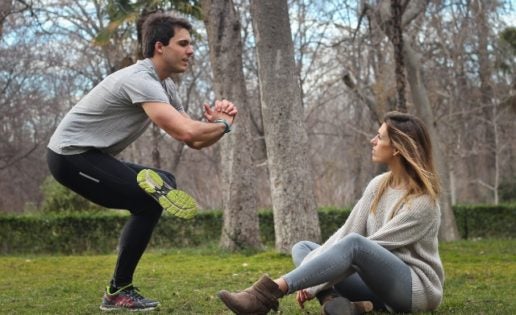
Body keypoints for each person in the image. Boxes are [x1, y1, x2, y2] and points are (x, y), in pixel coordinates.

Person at [47, 12, 237, 312]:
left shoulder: (165, 85)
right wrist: (223, 125)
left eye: (191, 44)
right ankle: (117, 291)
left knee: (164, 183)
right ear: (160, 47)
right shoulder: (141, 79)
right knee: (151, 198)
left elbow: (194, 140)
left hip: (89, 155)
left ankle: (118, 290)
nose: (191, 51)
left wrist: (215, 125)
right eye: (184, 43)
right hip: (70, 156)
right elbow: (186, 131)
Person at [218, 111, 444, 315]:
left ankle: (264, 295)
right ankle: (338, 304)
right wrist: (313, 280)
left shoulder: (422, 203)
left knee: (353, 246)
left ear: (396, 148)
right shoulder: (379, 185)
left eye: (379, 137)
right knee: (304, 248)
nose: (372, 141)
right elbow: (347, 233)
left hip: (414, 291)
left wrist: (313, 283)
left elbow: (368, 248)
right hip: (377, 287)